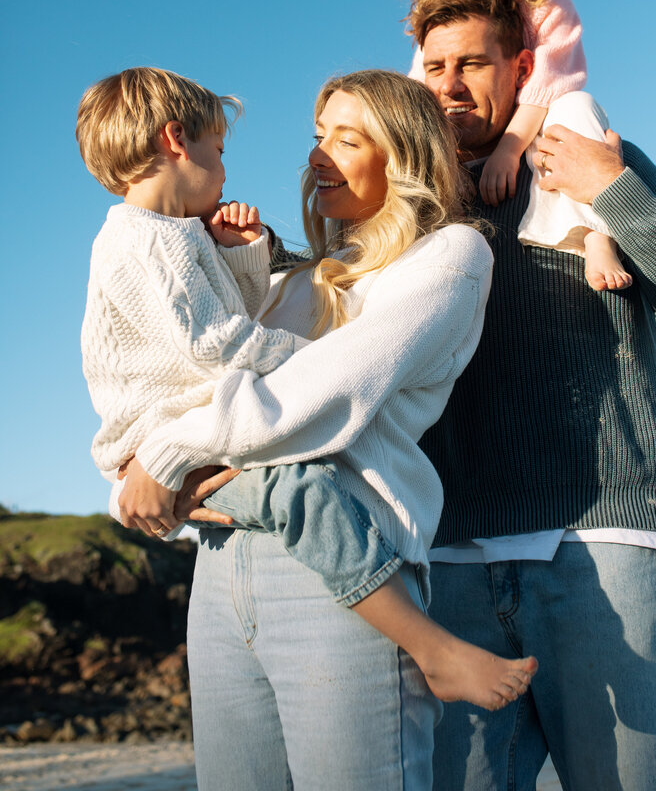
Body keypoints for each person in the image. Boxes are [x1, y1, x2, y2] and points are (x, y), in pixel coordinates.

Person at [104, 68, 537, 790]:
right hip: (218, 568)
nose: (317, 157)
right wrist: (136, 473)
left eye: (347, 138)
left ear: (401, 157)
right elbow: (190, 382)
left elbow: (319, 396)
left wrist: (169, 452)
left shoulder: (450, 258)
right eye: (317, 138)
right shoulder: (295, 281)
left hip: (340, 579)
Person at [409, 0, 656, 791]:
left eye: (473, 65)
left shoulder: (588, 156)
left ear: (523, 67)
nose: (451, 84)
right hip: (447, 568)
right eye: (435, 68)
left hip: (606, 549)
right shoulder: (406, 203)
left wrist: (613, 190)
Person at [409, 0, 631, 291]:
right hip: (472, 151)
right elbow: (420, 94)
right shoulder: (440, 29)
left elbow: (550, 81)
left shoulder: (547, 5)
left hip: (540, 124)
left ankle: (595, 235)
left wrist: (509, 151)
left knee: (576, 105)